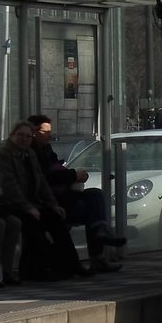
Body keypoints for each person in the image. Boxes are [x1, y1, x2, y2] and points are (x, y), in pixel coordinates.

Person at [27, 114, 124, 273]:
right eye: (45, 132)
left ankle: (100, 235)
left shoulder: (46, 148)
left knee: (94, 195)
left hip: (62, 195)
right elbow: (45, 177)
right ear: (34, 132)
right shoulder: (31, 153)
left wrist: (74, 176)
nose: (49, 136)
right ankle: (97, 251)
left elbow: (57, 169)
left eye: (50, 132)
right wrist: (73, 175)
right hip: (48, 200)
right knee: (89, 211)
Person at [0, 120, 92, 280]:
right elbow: (10, 186)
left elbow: (41, 183)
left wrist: (53, 204)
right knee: (32, 225)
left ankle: (71, 265)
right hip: (10, 205)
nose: (24, 139)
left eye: (28, 136)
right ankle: (35, 270)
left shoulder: (29, 154)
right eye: (20, 135)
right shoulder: (3, 154)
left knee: (56, 219)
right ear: (12, 135)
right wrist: (28, 208)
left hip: (31, 204)